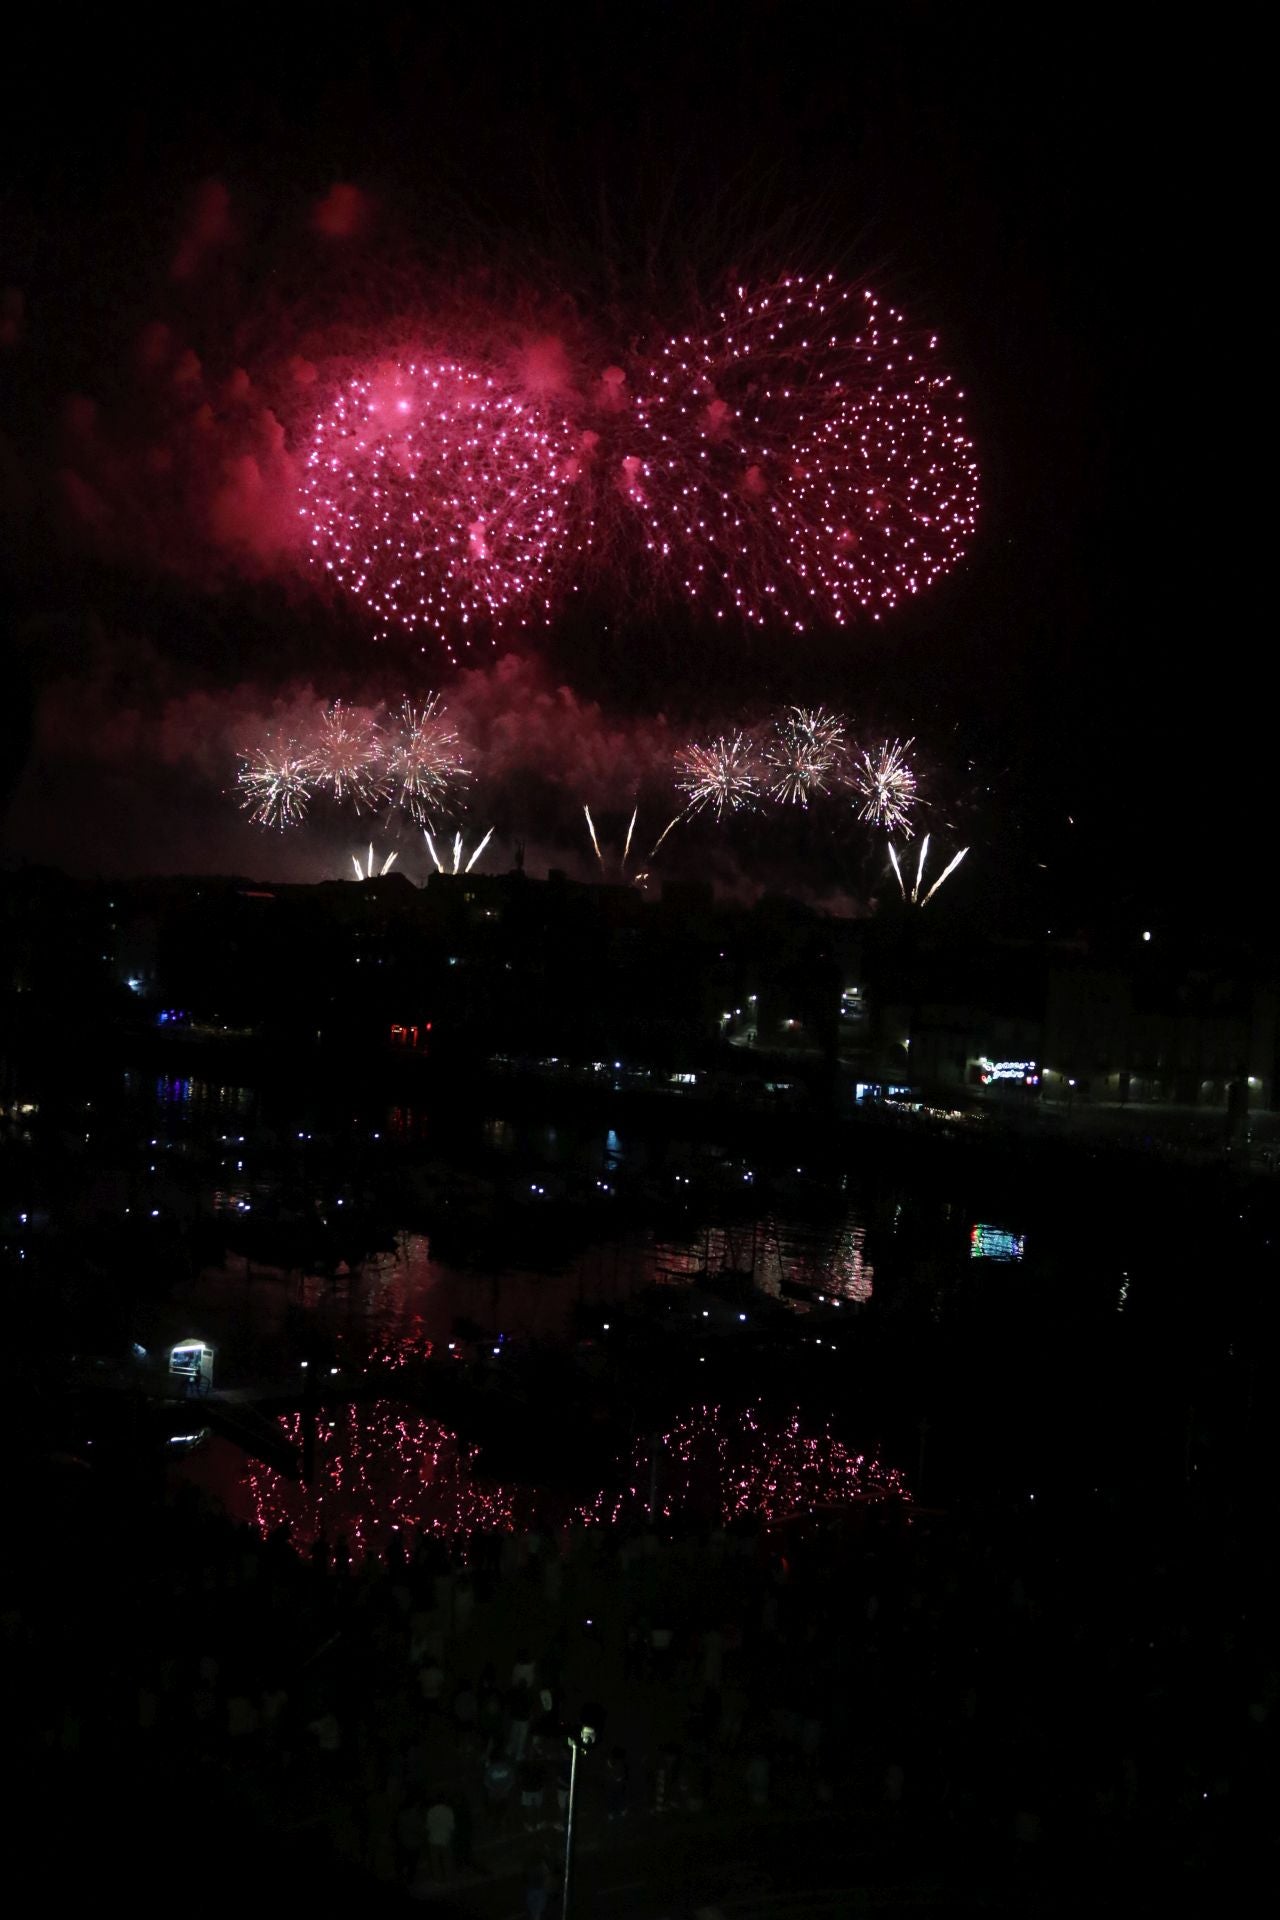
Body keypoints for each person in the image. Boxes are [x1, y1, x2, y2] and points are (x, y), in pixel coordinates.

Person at [425, 1797, 455, 1879]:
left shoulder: (430, 1812)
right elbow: (451, 1827)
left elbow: (428, 1827)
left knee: (435, 1862)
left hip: (433, 1839)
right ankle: (449, 1877)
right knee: (447, 1860)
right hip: (445, 1838)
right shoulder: (448, 1810)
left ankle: (438, 1879)